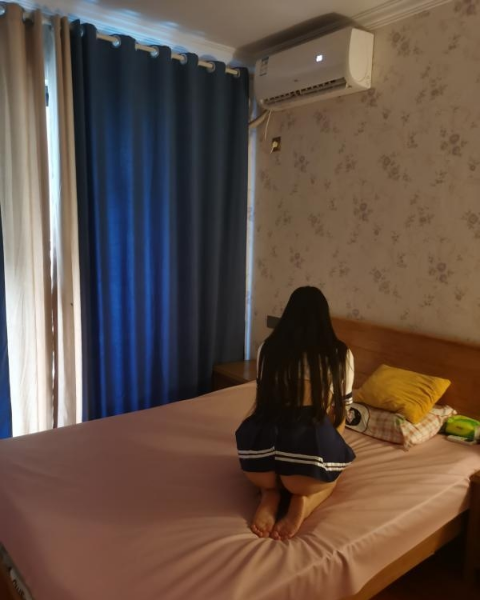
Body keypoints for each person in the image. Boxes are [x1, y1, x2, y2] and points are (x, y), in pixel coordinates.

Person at [235, 286, 355, 541]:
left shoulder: (268, 348)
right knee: (339, 468)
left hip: (259, 465)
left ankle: (269, 493)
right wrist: (335, 451)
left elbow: (262, 404)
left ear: (287, 314)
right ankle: (303, 501)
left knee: (266, 442)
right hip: (303, 472)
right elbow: (340, 414)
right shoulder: (340, 354)